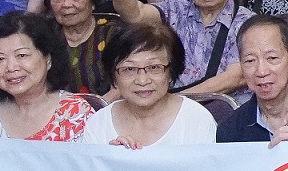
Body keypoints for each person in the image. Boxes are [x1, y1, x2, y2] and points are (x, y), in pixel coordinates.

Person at [106, 0, 248, 97]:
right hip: (169, 104)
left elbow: (235, 77)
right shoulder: (176, 10)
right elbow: (136, 14)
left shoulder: (246, 23)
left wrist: (177, 101)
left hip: (220, 106)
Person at [81, 24, 218, 148]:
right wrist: (110, 158)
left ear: (171, 72)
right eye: (129, 69)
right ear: (114, 76)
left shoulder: (196, 119)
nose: (142, 81)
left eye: (154, 67)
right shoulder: (99, 123)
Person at [37, 0, 121, 96]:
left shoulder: (113, 33)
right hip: (55, 107)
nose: (66, 4)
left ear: (93, 0)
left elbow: (120, 87)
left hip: (105, 106)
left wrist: (92, 109)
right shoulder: (43, 34)